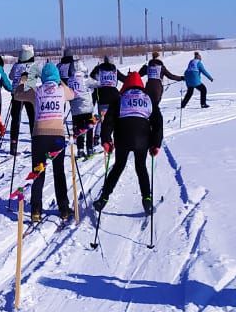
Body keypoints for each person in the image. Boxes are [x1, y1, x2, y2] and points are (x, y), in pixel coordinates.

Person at [13, 62, 76, 222]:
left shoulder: (36, 91)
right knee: (59, 172)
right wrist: (60, 80)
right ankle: (63, 209)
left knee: (38, 172)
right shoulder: (62, 91)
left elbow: (17, 94)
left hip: (39, 137)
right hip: (57, 137)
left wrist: (23, 80)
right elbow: (73, 94)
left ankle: (35, 210)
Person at [95, 71, 164, 214]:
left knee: (118, 167)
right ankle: (147, 200)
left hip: (122, 138)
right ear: (141, 84)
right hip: (142, 139)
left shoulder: (120, 99)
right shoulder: (148, 98)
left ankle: (103, 199)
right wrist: (156, 144)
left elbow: (108, 121)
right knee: (141, 168)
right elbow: (158, 122)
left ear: (126, 84)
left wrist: (106, 139)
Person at [7, 45, 39, 155]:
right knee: (32, 119)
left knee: (15, 119)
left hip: (16, 94)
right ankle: (35, 144)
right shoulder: (34, 65)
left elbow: (11, 76)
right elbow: (42, 75)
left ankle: (13, 144)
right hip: (29, 94)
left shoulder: (16, 65)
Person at [66, 64, 98, 157]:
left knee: (79, 130)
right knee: (89, 128)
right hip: (87, 108)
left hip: (75, 109)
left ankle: (80, 149)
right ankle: (90, 148)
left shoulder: (69, 80)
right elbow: (96, 84)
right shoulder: (85, 78)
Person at [89, 55, 121, 123]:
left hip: (103, 97)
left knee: (101, 119)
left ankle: (97, 132)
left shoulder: (98, 69)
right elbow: (124, 79)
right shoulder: (114, 70)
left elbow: (91, 76)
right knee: (115, 117)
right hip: (114, 97)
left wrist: (96, 70)